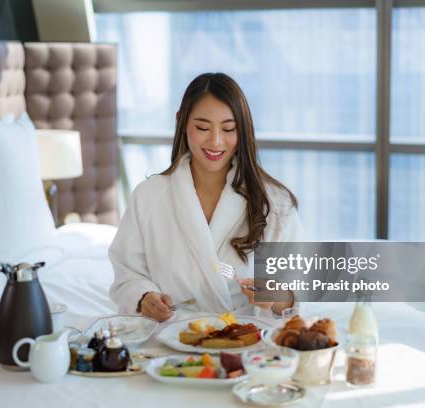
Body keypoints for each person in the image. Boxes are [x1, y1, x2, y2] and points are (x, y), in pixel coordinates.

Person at [109, 73, 302, 322]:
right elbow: (127, 274)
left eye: (229, 128)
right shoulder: (148, 197)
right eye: (202, 127)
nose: (216, 141)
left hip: (249, 346)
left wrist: (280, 297)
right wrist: (143, 296)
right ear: (182, 122)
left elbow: (298, 289)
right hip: (170, 342)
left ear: (242, 130)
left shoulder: (275, 203)